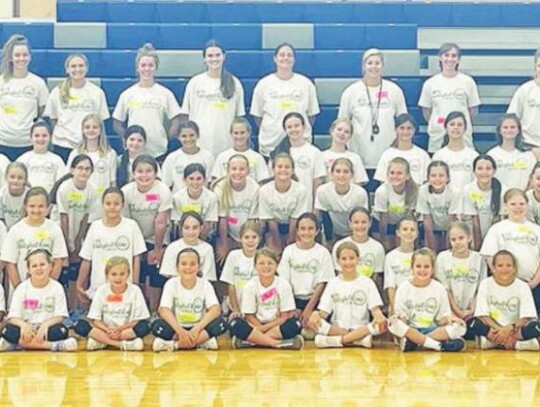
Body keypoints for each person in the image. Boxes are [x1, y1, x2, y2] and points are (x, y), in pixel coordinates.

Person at [338, 48, 407, 169]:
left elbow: (403, 122)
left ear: (383, 66)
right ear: (363, 66)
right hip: (358, 155)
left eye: (377, 63)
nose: (374, 67)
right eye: (370, 63)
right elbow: (342, 123)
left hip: (388, 156)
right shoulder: (351, 91)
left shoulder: (394, 90)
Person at [388, 248, 467, 352]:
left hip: (433, 329)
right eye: (418, 266)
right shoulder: (403, 288)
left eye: (426, 266)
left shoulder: (439, 288)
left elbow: (442, 319)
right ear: (412, 267)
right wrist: (397, 318)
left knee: (460, 328)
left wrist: (451, 319)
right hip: (411, 330)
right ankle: (437, 345)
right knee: (393, 324)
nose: (422, 270)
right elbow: (403, 319)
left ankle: (416, 342)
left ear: (433, 269)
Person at [112, 43, 182, 159]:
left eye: (151, 65)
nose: (147, 69)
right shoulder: (127, 94)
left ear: (156, 68)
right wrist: (127, 139)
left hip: (158, 152)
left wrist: (166, 138)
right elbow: (117, 123)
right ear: (137, 68)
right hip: (134, 152)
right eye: (143, 65)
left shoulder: (165, 94)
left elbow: (176, 120)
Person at [310, 242, 386, 348]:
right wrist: (316, 314)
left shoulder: (367, 282)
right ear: (338, 261)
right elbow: (324, 312)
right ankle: (356, 340)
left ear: (358, 259)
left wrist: (378, 315)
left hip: (361, 328)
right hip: (337, 329)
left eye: (351, 258)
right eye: (344, 259)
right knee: (314, 322)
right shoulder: (333, 283)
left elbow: (375, 310)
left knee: (381, 324)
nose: (348, 262)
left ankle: (339, 341)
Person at [122, 155, 173, 312]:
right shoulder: (126, 192)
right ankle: (140, 309)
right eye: (140, 171)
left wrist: (158, 249)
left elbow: (161, 222)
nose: (144, 175)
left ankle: (156, 310)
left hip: (157, 237)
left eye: (148, 171)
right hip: (135, 236)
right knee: (139, 271)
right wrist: (137, 248)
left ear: (156, 173)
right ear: (133, 174)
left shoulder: (162, 190)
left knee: (156, 273)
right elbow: (127, 223)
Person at [250, 43, 319, 158]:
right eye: (282, 55)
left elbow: (311, 116)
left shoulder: (306, 84)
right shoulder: (264, 84)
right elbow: (258, 116)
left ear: (294, 59)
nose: (285, 58)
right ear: (275, 59)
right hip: (271, 144)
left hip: (300, 146)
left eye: (289, 55)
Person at [50, 154, 100, 315]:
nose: (83, 172)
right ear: (72, 170)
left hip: (78, 233)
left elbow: (86, 217)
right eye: (80, 168)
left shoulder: (92, 190)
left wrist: (79, 242)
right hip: (61, 232)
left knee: (75, 272)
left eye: (87, 169)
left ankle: (75, 309)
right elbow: (63, 218)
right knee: (63, 272)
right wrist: (66, 246)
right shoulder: (64, 188)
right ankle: (62, 310)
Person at [77, 187, 147, 301]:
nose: (112, 207)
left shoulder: (131, 226)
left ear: (122, 205)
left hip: (125, 287)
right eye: (108, 203)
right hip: (98, 287)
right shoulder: (95, 227)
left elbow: (136, 258)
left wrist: (135, 285)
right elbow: (87, 258)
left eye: (116, 203)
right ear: (102, 205)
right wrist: (79, 283)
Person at [0, 249, 77, 352]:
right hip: (26, 329)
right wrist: (24, 326)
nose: (39, 268)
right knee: (8, 331)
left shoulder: (57, 287)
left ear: (50, 266)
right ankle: (52, 346)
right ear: (28, 269)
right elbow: (13, 317)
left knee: (60, 331)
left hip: (47, 329)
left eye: (42, 264)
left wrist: (45, 325)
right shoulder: (21, 288)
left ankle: (15, 345)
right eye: (34, 266)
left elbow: (60, 316)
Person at [152, 248, 227, 351]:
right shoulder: (171, 284)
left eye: (192, 264)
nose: (188, 267)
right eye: (184, 264)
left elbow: (215, 309)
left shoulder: (205, 284)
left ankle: (175, 345)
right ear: (177, 267)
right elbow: (163, 310)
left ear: (198, 267)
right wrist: (180, 332)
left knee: (221, 323)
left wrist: (196, 329)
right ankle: (200, 342)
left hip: (198, 328)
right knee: (157, 326)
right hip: (177, 328)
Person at [228, 248, 304, 350]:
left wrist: (263, 329)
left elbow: (284, 316)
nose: (266, 266)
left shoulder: (283, 284)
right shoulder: (250, 285)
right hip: (255, 325)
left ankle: (252, 342)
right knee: (235, 323)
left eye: (270, 263)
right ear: (255, 266)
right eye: (261, 263)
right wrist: (259, 327)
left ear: (276, 266)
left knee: (295, 324)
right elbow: (250, 316)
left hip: (276, 325)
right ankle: (276, 343)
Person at [481, 189, 540, 313]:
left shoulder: (536, 230)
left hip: (533, 285)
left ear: (527, 205)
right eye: (513, 204)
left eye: (521, 204)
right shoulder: (497, 229)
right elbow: (490, 257)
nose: (517, 207)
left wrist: (533, 283)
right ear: (506, 206)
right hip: (504, 284)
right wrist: (503, 279)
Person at [182, 40, 245, 156]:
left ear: (224, 56)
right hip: (200, 144)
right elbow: (186, 114)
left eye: (217, 55)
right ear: (204, 59)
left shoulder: (235, 83)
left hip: (226, 143)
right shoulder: (194, 83)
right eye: (210, 56)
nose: (214, 59)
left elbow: (239, 117)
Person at [74, 256, 151, 351]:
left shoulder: (135, 290)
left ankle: (102, 341)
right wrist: (108, 330)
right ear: (107, 275)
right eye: (114, 274)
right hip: (106, 330)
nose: (118, 278)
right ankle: (119, 344)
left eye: (122, 274)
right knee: (80, 325)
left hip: (125, 331)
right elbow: (95, 320)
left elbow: (137, 320)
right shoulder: (101, 290)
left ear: (128, 275)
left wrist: (119, 329)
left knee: (145, 326)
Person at [44, 53, 110, 161]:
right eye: (73, 66)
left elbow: (101, 121)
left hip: (88, 146)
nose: (77, 69)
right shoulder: (57, 92)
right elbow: (52, 120)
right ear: (67, 69)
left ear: (87, 68)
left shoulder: (96, 92)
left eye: (81, 66)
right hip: (63, 145)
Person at [277, 213, 334, 335]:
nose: (306, 232)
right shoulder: (289, 251)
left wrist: (309, 309)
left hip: (314, 301)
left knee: (311, 331)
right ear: (297, 231)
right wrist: (292, 307)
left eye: (310, 228)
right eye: (302, 229)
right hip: (293, 300)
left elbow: (322, 284)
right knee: (289, 327)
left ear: (317, 231)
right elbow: (284, 282)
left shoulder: (323, 253)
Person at [471, 250, 540, 351]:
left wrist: (509, 328)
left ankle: (495, 342)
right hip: (493, 329)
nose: (504, 269)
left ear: (514, 269)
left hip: (515, 329)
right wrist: (501, 330)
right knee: (471, 323)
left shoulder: (523, 286)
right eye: (500, 265)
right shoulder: (485, 284)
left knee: (537, 327)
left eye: (508, 265)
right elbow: (483, 315)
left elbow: (526, 317)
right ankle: (517, 344)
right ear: (493, 268)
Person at [1, 187, 67, 291]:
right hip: (20, 290)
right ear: (25, 207)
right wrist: (20, 291)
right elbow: (10, 264)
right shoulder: (15, 230)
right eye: (32, 206)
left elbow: (58, 261)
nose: (36, 210)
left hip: (47, 292)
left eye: (41, 206)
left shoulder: (54, 229)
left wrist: (47, 288)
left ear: (48, 208)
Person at [418, 43, 480, 153]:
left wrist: (459, 125)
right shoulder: (430, 83)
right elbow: (427, 111)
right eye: (446, 55)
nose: (450, 59)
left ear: (459, 59)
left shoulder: (468, 82)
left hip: (463, 138)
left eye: (454, 56)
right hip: (437, 138)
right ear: (440, 58)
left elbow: (473, 110)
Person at [0, 34, 49, 160]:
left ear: (30, 57)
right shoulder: (1, 81)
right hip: (3, 142)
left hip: (28, 143)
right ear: (10, 57)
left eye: (25, 55)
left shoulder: (38, 83)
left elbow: (43, 113)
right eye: (17, 55)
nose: (21, 58)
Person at [436, 221, 487, 339]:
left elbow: (480, 289)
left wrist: (471, 310)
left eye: (461, 238)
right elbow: (445, 289)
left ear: (469, 237)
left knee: (474, 328)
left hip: (471, 311)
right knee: (453, 330)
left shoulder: (479, 259)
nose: (458, 242)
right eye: (453, 240)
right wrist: (456, 312)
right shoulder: (442, 258)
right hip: (450, 311)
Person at [259, 152, 310, 255]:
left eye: (287, 167)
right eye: (280, 166)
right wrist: (277, 243)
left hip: (295, 226)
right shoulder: (264, 190)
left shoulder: (301, 190)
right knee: (274, 252)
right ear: (273, 169)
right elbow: (270, 220)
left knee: (293, 251)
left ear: (292, 170)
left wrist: (290, 243)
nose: (283, 170)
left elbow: (295, 219)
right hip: (273, 227)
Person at [271, 112, 326, 206]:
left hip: (306, 207)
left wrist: (315, 210)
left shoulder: (315, 152)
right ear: (285, 129)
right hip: (282, 207)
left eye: (296, 126)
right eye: (289, 127)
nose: (293, 129)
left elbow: (317, 183)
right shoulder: (277, 152)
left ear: (304, 127)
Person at [213, 154, 259, 264]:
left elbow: (252, 221)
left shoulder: (255, 188)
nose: (238, 172)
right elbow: (222, 220)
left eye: (242, 169)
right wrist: (224, 245)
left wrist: (246, 242)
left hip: (247, 231)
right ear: (228, 170)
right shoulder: (220, 187)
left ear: (248, 171)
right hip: (228, 234)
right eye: (234, 169)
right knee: (221, 256)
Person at [315, 157, 369, 244]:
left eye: (346, 171)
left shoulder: (360, 193)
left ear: (352, 175)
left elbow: (362, 219)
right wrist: (329, 240)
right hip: (333, 233)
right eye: (338, 171)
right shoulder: (322, 191)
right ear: (331, 174)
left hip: (354, 232)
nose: (342, 175)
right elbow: (323, 217)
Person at [372, 157, 418, 250]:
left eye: (399, 173)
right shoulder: (382, 191)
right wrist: (383, 240)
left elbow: (410, 217)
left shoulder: (413, 190)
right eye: (392, 173)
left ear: (407, 175)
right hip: (382, 223)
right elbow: (383, 218)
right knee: (386, 247)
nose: (395, 176)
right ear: (387, 175)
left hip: (401, 222)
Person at [461, 155, 505, 249]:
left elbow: (497, 221)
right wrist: (478, 249)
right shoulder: (468, 189)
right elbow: (474, 222)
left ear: (494, 171)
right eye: (480, 168)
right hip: (474, 234)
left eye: (488, 168)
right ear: (474, 171)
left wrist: (490, 246)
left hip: (495, 234)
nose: (484, 172)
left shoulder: (503, 190)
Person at [67, 113, 117, 195]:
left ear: (101, 130)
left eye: (95, 127)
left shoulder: (110, 154)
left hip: (101, 199)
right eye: (87, 127)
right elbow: (69, 179)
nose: (91, 130)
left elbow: (112, 182)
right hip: (81, 197)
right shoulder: (75, 153)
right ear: (82, 130)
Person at [416, 160, 460, 252]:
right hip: (432, 227)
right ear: (428, 178)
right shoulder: (423, 190)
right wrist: (432, 249)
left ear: (448, 178)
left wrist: (448, 247)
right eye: (433, 176)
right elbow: (427, 220)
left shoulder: (454, 192)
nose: (437, 179)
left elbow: (451, 220)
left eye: (441, 175)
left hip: (450, 227)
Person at [160, 211, 217, 282]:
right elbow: (171, 277)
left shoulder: (207, 249)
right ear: (181, 228)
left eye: (195, 228)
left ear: (201, 228)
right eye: (186, 228)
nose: (190, 232)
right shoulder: (172, 248)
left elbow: (207, 279)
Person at [374, 113, 430, 185]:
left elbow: (426, 182)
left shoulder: (422, 155)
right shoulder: (387, 154)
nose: (405, 132)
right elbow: (382, 181)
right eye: (402, 128)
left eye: (409, 128)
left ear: (414, 130)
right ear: (395, 130)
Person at [220, 220, 261, 320]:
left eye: (254, 237)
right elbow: (231, 286)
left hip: (257, 308)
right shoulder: (233, 255)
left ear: (259, 239)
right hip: (237, 305)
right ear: (240, 239)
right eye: (246, 237)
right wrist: (236, 310)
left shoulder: (263, 257)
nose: (250, 241)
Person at [487, 113, 538, 190]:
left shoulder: (529, 155)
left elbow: (533, 181)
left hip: (522, 199)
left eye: (513, 127)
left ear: (518, 130)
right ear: (499, 130)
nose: (509, 130)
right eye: (505, 127)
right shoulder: (492, 154)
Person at [161, 121, 214, 193]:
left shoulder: (207, 156)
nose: (188, 139)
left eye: (192, 135)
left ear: (198, 135)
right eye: (184, 136)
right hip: (179, 202)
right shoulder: (172, 158)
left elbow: (210, 183)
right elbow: (165, 185)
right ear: (178, 137)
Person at [211, 117, 269, 182]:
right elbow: (215, 182)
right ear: (231, 134)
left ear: (249, 133)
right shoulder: (222, 157)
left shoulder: (258, 158)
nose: (239, 136)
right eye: (236, 133)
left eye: (242, 133)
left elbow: (262, 183)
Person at [171, 163, 218, 241]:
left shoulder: (211, 197)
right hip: (183, 237)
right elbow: (179, 225)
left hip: (205, 237)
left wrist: (199, 243)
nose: (195, 182)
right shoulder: (177, 197)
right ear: (184, 180)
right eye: (191, 179)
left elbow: (208, 224)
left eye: (199, 178)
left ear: (205, 180)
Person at [432, 111, 479, 190]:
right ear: (446, 128)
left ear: (465, 129)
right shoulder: (438, 156)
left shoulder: (473, 155)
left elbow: (477, 183)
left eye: (459, 125)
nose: (456, 127)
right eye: (452, 124)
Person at [16, 120, 66, 192]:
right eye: (37, 136)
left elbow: (60, 184)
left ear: (50, 138)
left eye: (44, 135)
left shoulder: (57, 160)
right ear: (30, 138)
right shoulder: (22, 160)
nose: (41, 139)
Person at [384, 216, 418, 314]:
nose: (408, 232)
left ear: (417, 234)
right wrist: (395, 310)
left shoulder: (421, 255)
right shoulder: (390, 256)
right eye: (405, 229)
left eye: (412, 230)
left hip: (418, 305)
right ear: (398, 232)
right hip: (397, 305)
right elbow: (390, 286)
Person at [507, 48, 540, 147]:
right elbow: (511, 118)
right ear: (535, 67)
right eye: (539, 66)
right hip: (528, 145)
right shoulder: (525, 90)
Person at [319, 118, 368, 185]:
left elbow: (359, 184)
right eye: (339, 129)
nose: (342, 133)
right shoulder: (321, 156)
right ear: (332, 131)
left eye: (347, 132)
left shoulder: (355, 158)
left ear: (350, 136)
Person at [0, 162, 29, 229]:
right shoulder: (1, 195)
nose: (16, 180)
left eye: (20, 178)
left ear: (25, 180)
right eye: (12, 177)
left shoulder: (30, 196)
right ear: (6, 177)